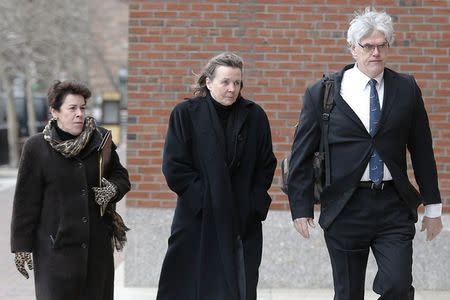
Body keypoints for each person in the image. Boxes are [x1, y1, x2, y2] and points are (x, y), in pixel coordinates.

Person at [287, 7, 443, 300]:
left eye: (382, 45)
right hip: (345, 205)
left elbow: (422, 150)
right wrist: (301, 206)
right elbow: (301, 154)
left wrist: (433, 207)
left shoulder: (406, 88)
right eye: (368, 46)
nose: (376, 52)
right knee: (347, 294)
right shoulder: (322, 92)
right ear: (352, 49)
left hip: (392, 204)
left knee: (398, 285)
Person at [157, 52, 277, 300]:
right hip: (198, 219)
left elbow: (266, 165)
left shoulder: (255, 116)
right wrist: (205, 200)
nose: (232, 89)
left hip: (243, 221)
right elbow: (174, 167)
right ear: (208, 82)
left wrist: (253, 204)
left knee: (239, 287)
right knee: (190, 288)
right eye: (225, 82)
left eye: (237, 82)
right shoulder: (185, 114)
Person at [10, 80, 131, 300]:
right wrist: (21, 247)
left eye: (82, 107)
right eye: (72, 108)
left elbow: (121, 176)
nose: (79, 114)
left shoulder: (100, 140)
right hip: (55, 251)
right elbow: (26, 202)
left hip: (96, 251)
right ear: (54, 111)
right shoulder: (36, 147)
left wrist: (112, 188)